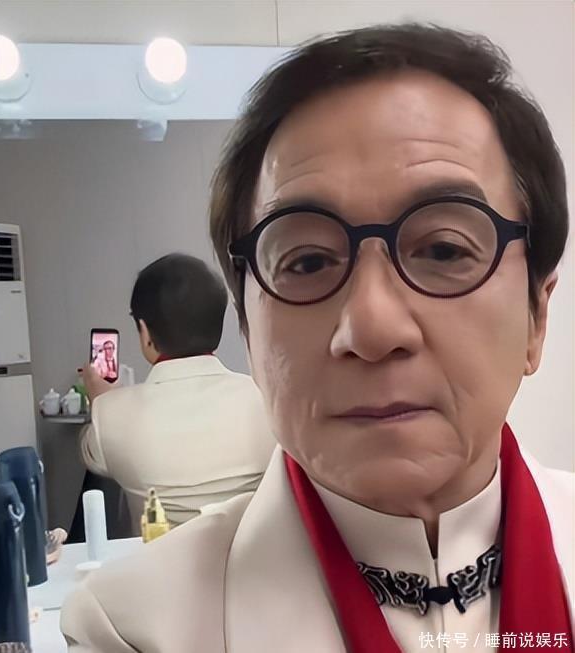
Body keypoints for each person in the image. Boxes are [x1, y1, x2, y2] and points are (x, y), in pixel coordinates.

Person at [61, 24, 574, 651]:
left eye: (444, 249)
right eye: (306, 261)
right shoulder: (132, 627)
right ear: (248, 331)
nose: (372, 328)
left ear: (536, 316)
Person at [78, 253, 275, 529]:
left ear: (145, 332)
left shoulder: (110, 414)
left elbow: (93, 456)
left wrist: (102, 401)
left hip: (158, 555)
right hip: (250, 553)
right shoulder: (265, 399)